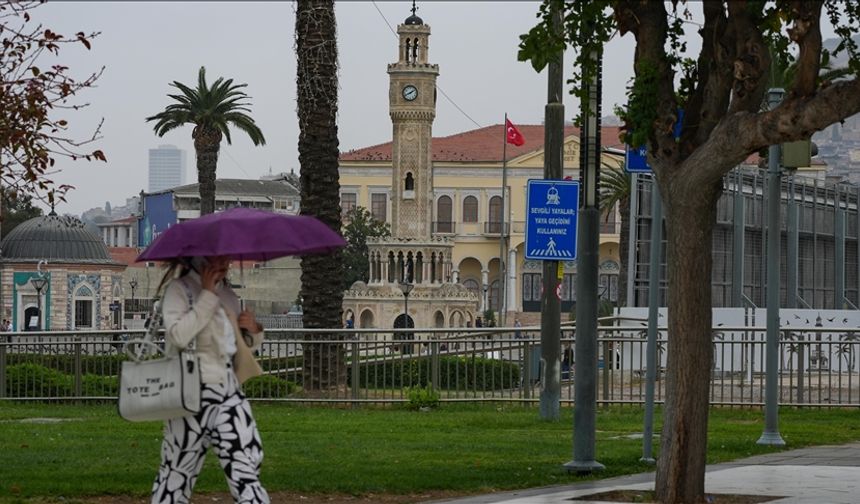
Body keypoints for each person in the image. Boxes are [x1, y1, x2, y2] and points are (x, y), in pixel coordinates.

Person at [150, 255, 269, 504]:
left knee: (246, 463)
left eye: (228, 256)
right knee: (177, 474)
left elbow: (235, 347)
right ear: (198, 258)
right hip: (189, 393)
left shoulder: (228, 295)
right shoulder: (179, 290)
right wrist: (206, 295)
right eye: (218, 256)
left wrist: (254, 331)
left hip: (227, 391)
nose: (226, 262)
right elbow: (178, 336)